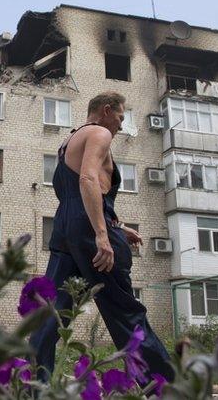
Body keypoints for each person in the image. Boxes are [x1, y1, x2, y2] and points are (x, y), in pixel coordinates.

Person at [30, 91, 175, 383]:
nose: (121, 126)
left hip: (65, 229)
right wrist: (102, 234)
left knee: (53, 311)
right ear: (107, 110)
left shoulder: (69, 140)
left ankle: (33, 385)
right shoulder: (99, 133)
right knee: (124, 310)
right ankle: (166, 386)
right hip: (88, 229)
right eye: (121, 117)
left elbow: (72, 195)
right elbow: (87, 180)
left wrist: (116, 226)